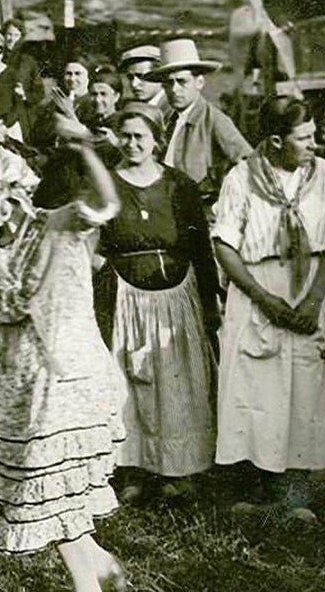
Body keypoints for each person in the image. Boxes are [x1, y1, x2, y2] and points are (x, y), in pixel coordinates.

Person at [0, 120, 127, 592]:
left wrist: (86, 147)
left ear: (0, 195)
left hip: (69, 377)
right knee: (55, 488)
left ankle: (85, 585)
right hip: (17, 384)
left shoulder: (58, 225)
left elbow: (108, 203)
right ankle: (102, 566)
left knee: (51, 484)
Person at [212, 96, 325, 522]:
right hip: (258, 288)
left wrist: (312, 299)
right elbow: (224, 245)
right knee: (257, 388)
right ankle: (259, 487)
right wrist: (264, 298)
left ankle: (296, 491)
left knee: (306, 387)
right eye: (302, 137)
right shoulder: (242, 178)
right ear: (274, 141)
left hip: (309, 284)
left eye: (313, 135)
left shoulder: (321, 174)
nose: (313, 143)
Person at [91, 102, 220, 502]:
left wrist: (210, 301)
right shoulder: (106, 183)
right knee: (130, 385)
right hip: (125, 297)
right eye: (125, 136)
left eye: (140, 137)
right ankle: (134, 470)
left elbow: (200, 246)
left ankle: (179, 471)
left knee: (178, 385)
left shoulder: (178, 185)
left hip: (175, 297)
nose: (132, 144)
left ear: (156, 140)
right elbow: (92, 243)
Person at [147, 39, 252, 207]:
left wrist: (221, 201)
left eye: (182, 81)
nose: (174, 89)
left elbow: (248, 163)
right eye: (168, 83)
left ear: (199, 83)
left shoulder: (214, 120)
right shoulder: (169, 119)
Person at [118, 44, 170, 118]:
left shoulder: (171, 109)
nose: (134, 84)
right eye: (130, 77)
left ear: (159, 75)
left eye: (141, 76)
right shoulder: (134, 108)